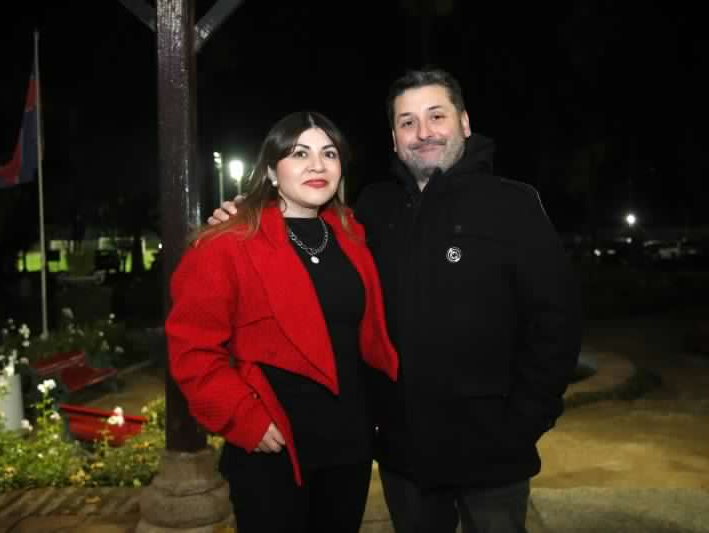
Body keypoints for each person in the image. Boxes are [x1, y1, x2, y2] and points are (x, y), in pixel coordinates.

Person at [208, 68, 582, 533]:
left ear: (464, 123)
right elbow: (303, 230)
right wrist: (245, 214)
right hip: (405, 459)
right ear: (394, 138)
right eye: (408, 122)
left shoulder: (514, 205)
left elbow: (556, 324)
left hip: (493, 457)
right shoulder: (372, 208)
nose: (423, 132)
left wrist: (524, 424)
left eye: (436, 116)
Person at [166, 111, 399, 533]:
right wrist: (243, 417)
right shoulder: (226, 244)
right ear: (272, 172)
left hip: (348, 447)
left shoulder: (351, 236)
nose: (317, 165)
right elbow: (191, 350)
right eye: (299, 153)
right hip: (274, 449)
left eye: (329, 154)